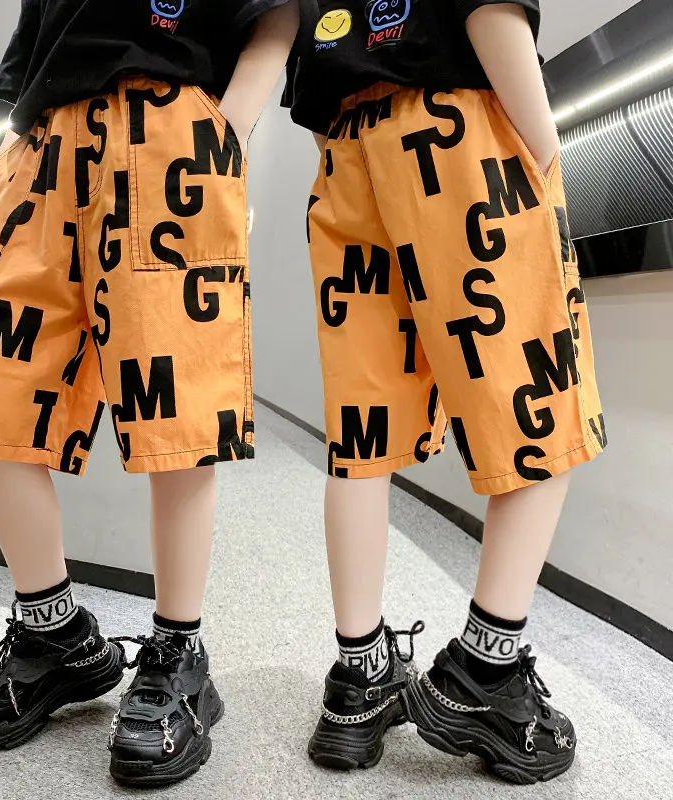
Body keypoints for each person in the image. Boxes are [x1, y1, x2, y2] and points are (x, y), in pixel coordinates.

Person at [0, 0, 298, 788]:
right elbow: (33, 50)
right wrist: (14, 153)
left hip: (170, 133)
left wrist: (229, 132)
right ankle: (53, 633)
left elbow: (278, 12)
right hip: (42, 147)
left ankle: (178, 651)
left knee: (178, 414)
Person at [285, 0, 605, 784]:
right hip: (462, 133)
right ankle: (484, 672)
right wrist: (542, 150)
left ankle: (358, 681)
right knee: (542, 411)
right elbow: (486, 7)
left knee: (361, 436)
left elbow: (310, 69)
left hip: (349, 156)